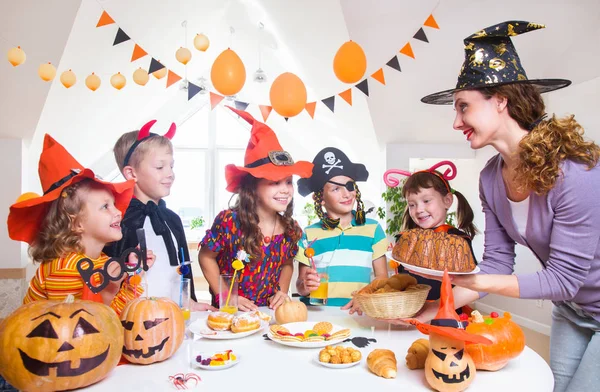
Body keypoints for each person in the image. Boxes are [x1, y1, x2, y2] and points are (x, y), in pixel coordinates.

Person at [408, 21, 599, 391]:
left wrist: (457, 279)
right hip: (572, 310)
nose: (455, 122)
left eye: (463, 107)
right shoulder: (491, 178)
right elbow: (497, 263)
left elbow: (562, 279)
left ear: (500, 100)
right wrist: (435, 311)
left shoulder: (576, 173)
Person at [7, 134, 151, 313]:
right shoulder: (64, 270)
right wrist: (110, 291)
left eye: (114, 204)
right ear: (76, 223)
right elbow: (83, 330)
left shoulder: (101, 261)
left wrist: (133, 277)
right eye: (105, 207)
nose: (117, 212)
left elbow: (113, 323)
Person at [198, 107, 313, 311]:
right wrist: (225, 295)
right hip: (230, 312)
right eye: (275, 183)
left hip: (268, 314)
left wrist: (282, 292)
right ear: (253, 186)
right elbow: (206, 257)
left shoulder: (291, 228)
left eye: (288, 182)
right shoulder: (229, 222)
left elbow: (286, 263)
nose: (285, 190)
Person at [106, 120, 215, 311]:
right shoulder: (118, 221)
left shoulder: (173, 220)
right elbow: (109, 282)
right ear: (132, 173)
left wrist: (190, 302)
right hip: (136, 322)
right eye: (160, 167)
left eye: (171, 166)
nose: (170, 174)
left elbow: (181, 270)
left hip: (176, 319)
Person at [295, 147, 388, 313]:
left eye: (349, 186)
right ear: (320, 197)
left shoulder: (373, 229)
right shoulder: (308, 235)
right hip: (318, 315)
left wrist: (365, 296)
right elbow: (301, 286)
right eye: (336, 189)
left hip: (359, 313)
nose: (346, 194)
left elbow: (382, 278)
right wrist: (306, 285)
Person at [384, 161, 478, 301]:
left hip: (447, 310)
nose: (419, 209)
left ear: (447, 200)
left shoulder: (459, 241)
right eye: (412, 204)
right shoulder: (406, 240)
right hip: (411, 309)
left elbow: (469, 282)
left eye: (426, 201)